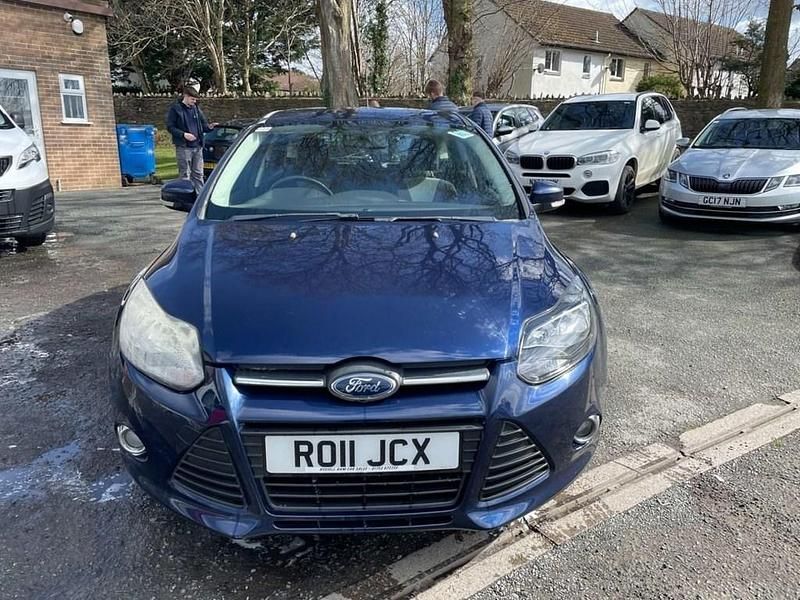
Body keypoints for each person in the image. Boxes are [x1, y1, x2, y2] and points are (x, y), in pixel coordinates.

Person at [166, 85, 217, 193]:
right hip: (184, 147)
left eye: (195, 99)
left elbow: (203, 125)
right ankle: (185, 197)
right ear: (186, 96)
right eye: (192, 99)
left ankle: (199, 197)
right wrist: (183, 134)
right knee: (185, 174)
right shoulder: (176, 109)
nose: (194, 102)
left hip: (197, 146)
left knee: (198, 173)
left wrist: (210, 127)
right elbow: (170, 127)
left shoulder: (196, 109)